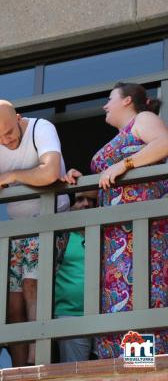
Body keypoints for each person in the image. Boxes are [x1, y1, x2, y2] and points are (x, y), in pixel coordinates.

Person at [63, 82, 168, 359]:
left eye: (110, 99)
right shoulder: (122, 134)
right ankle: (125, 366)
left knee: (141, 295)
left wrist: (125, 164)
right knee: (120, 301)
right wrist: (78, 178)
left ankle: (142, 366)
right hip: (117, 240)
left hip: (142, 233)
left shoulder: (143, 119)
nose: (104, 105)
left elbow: (165, 142)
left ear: (126, 101)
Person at [0, 99, 70, 366]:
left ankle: (36, 360)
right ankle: (20, 368)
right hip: (16, 226)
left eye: (9, 132)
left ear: (18, 118)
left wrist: (16, 175)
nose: (5, 141)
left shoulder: (40, 129)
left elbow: (51, 171)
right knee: (13, 301)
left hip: (49, 218)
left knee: (33, 283)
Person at [53, 191, 97, 363]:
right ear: (67, 205)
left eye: (91, 200)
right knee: (76, 375)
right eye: (79, 199)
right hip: (70, 316)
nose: (86, 204)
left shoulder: (105, 231)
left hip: (107, 314)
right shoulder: (60, 236)